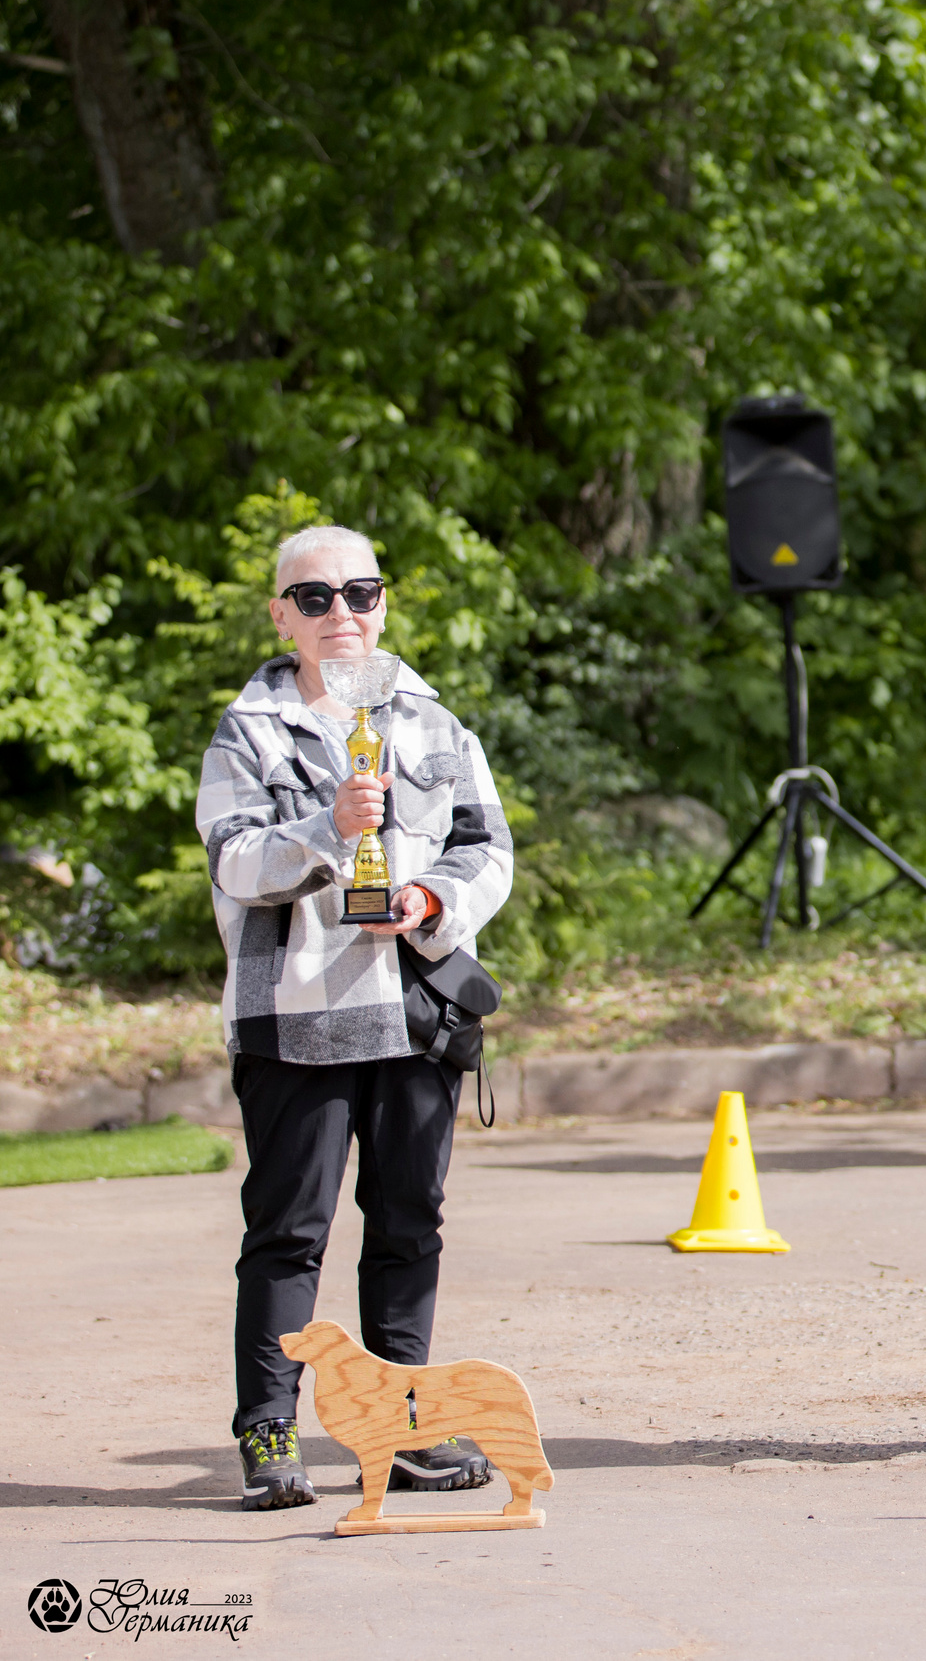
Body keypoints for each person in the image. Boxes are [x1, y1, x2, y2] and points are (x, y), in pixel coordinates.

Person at [197, 524, 515, 1510]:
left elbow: (485, 846)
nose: (343, 614)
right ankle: (269, 1432)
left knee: (410, 1224)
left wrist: (432, 904)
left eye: (361, 593)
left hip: (414, 1006)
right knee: (289, 1230)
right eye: (316, 597)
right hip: (297, 1016)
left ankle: (404, 1427)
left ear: (384, 602)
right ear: (281, 615)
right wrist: (321, 830)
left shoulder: (430, 718)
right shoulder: (247, 731)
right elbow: (233, 863)